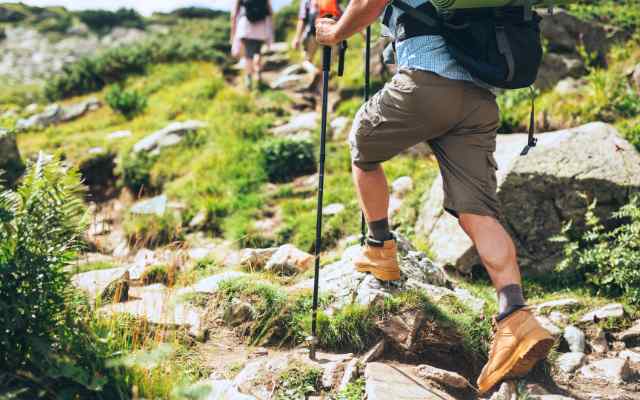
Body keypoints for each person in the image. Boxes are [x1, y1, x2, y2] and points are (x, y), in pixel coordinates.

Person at [315, 0, 554, 395]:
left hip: (426, 82)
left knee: (362, 144)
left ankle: (379, 247)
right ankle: (515, 315)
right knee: (477, 210)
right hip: (476, 100)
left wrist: (336, 31)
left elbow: (368, 4)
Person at [231, 0, 274, 89]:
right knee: (257, 52)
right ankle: (258, 75)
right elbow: (270, 12)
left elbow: (234, 14)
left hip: (246, 26)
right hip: (261, 27)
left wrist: (233, 32)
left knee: (248, 55)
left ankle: (248, 80)